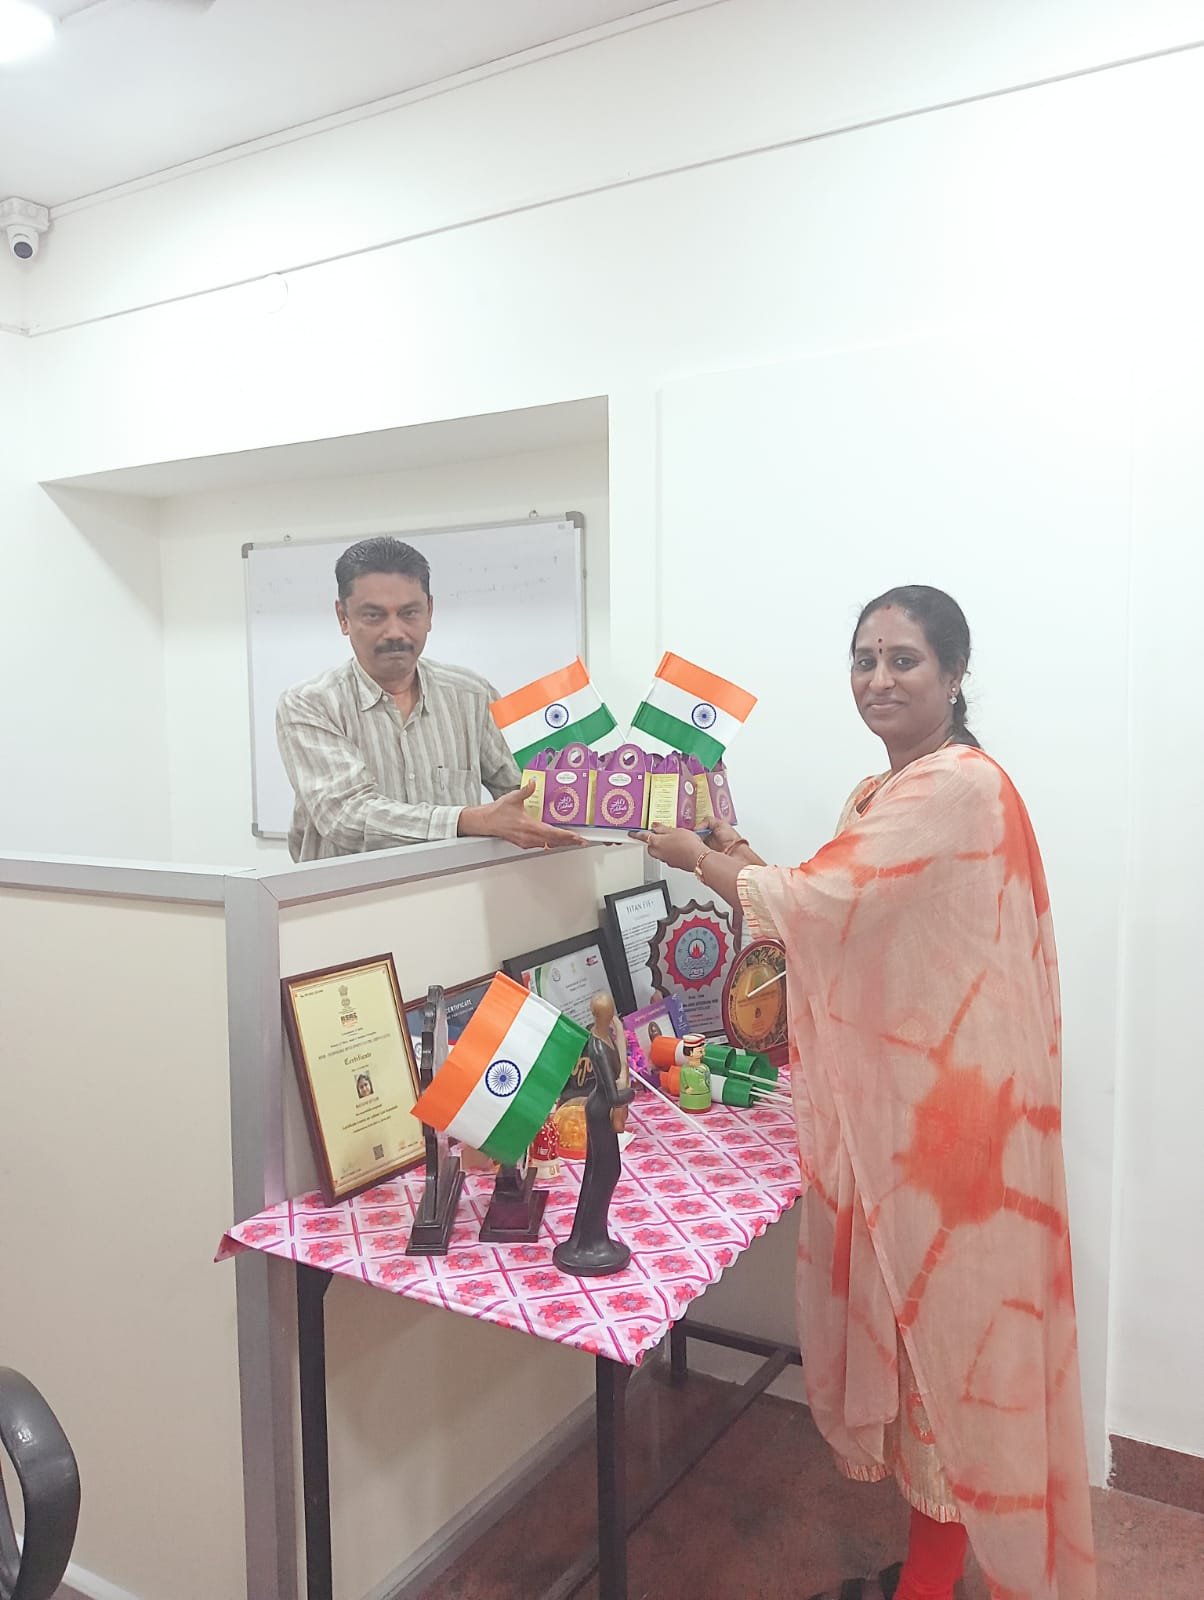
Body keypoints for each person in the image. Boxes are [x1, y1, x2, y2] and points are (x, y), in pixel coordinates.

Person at [636, 586, 1094, 1600]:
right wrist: (736, 853)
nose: (878, 679)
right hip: (909, 1116)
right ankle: (932, 1570)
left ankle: (939, 1583)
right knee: (928, 1361)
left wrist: (698, 858)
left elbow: (812, 903)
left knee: (949, 1367)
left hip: (952, 1127)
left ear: (955, 676)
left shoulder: (957, 787)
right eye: (863, 659)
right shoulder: (880, 792)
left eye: (903, 660)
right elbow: (834, 915)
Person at [276, 537, 583, 860]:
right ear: (343, 617)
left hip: (454, 888)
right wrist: (469, 820)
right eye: (374, 616)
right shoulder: (310, 704)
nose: (395, 632)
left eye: (409, 613)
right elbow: (346, 815)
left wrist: (601, 813)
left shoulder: (471, 694)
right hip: (349, 891)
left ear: (430, 612)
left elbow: (523, 789)